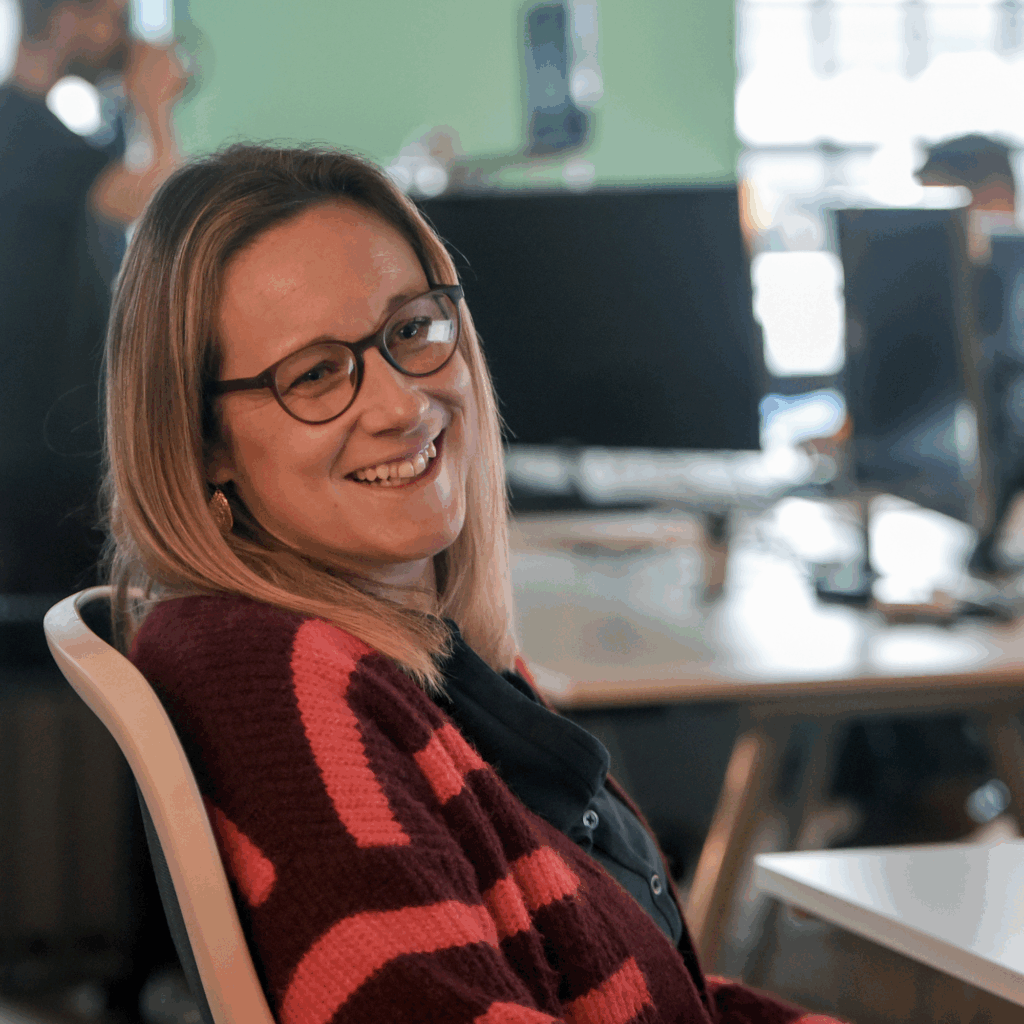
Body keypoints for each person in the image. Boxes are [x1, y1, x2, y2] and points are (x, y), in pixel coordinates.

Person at [105, 144, 847, 1024]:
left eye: (411, 330)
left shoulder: (414, 652)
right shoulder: (277, 677)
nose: (402, 405)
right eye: (313, 375)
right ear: (204, 447)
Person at [0, 0, 183, 600]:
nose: (122, 37)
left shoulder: (41, 134)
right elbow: (160, 200)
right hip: (36, 447)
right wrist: (154, 103)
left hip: (47, 434)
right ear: (66, 18)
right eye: (110, 16)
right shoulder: (17, 129)